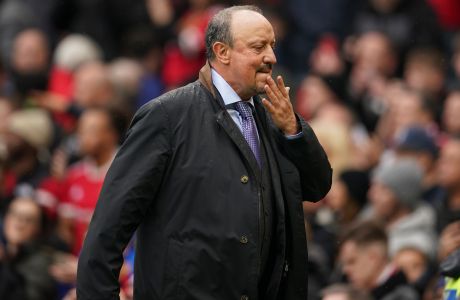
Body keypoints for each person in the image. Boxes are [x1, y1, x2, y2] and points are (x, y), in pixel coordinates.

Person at [76, 5, 332, 300]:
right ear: (222, 52)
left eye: (272, 46)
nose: (271, 57)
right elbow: (108, 229)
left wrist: (293, 131)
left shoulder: (276, 117)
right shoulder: (167, 116)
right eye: (258, 47)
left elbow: (317, 186)